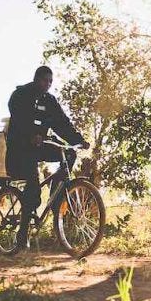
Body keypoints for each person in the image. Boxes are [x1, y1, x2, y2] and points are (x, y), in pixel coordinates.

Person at [6, 66, 88, 250]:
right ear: (36, 78)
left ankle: (56, 192)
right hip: (20, 148)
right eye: (45, 80)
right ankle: (22, 234)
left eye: (50, 81)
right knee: (33, 191)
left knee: (69, 153)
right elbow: (19, 119)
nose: (48, 84)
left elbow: (62, 123)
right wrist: (30, 135)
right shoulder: (20, 95)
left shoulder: (50, 101)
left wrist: (79, 140)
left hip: (39, 145)